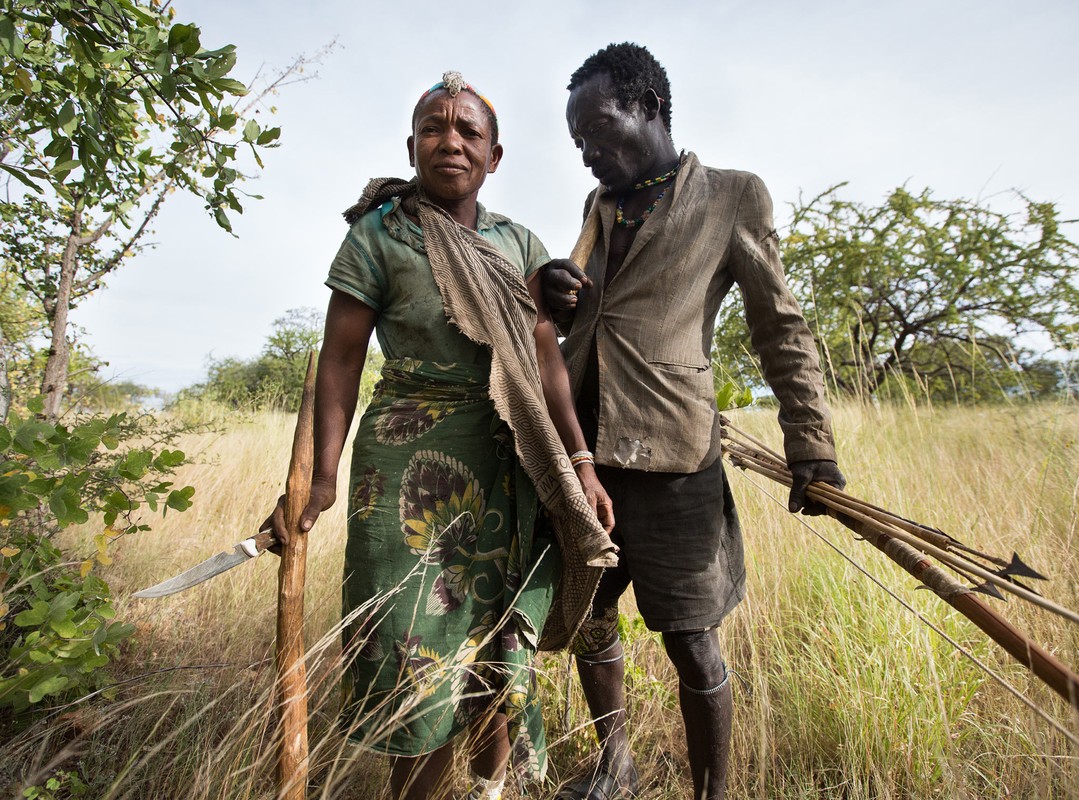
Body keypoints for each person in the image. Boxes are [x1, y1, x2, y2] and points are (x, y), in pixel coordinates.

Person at [263, 71, 618, 800]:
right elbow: (339, 362)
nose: (448, 140)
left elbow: (543, 358)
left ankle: (489, 791)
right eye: (433, 127)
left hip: (508, 459)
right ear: (411, 145)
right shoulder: (378, 235)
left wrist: (578, 462)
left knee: (495, 643)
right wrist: (321, 480)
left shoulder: (516, 242)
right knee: (411, 648)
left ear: (493, 157)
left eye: (467, 131)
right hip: (402, 468)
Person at [542, 44, 847, 800]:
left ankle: (711, 793)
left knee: (690, 639)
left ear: (647, 104)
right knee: (587, 616)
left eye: (597, 128)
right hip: (580, 450)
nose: (586, 151)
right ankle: (615, 765)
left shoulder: (732, 196)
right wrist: (551, 292)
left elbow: (780, 327)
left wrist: (810, 447)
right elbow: (585, 317)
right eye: (575, 140)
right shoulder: (599, 208)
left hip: (674, 453)